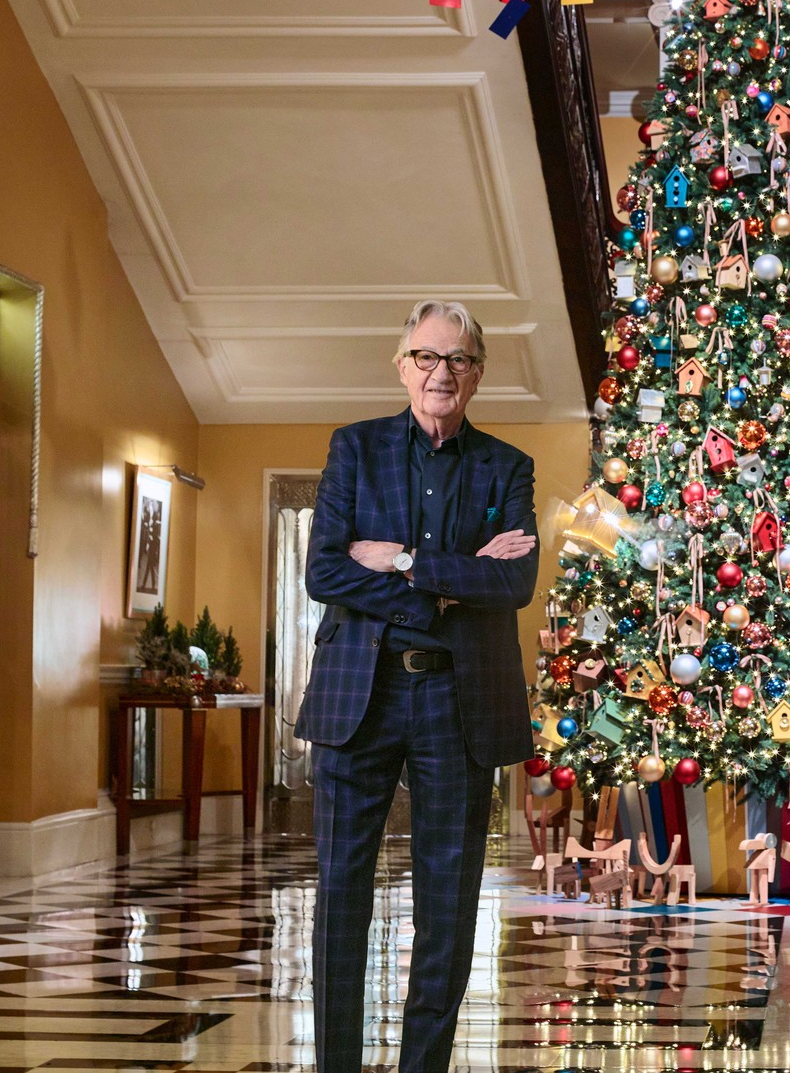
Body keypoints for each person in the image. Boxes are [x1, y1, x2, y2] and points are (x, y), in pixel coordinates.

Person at [297, 299, 539, 1073]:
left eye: (459, 360)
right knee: (340, 897)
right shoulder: (355, 449)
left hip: (455, 701)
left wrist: (401, 560)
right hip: (357, 699)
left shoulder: (507, 466)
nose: (442, 373)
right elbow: (324, 569)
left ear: (477, 374)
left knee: (448, 902)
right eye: (428, 358)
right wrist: (450, 583)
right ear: (402, 365)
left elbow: (517, 580)